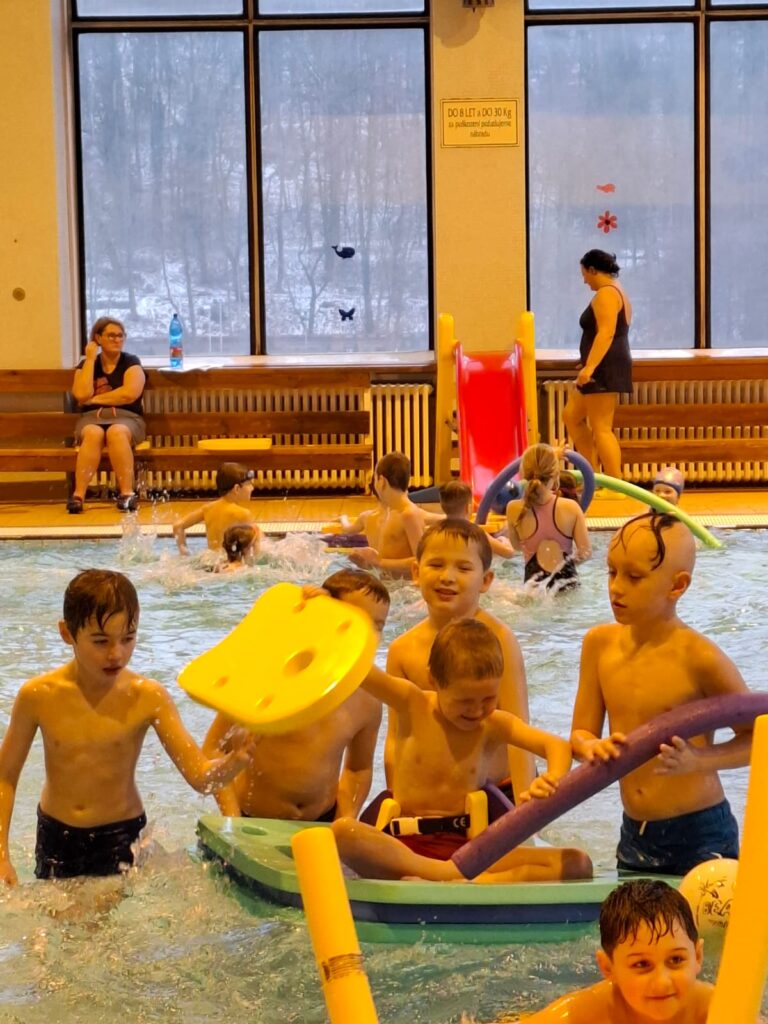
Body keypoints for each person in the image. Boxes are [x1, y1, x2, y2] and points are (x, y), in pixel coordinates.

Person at [0, 569, 256, 885]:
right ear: (67, 633)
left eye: (128, 638)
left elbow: (200, 778)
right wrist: (2, 855)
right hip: (56, 835)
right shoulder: (38, 696)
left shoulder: (148, 697)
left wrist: (234, 763)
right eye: (101, 641)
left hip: (120, 836)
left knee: (102, 916)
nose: (116, 653)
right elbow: (5, 776)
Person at [332, 618, 592, 883]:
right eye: (464, 701)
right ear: (434, 680)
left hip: (470, 852)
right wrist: (327, 621)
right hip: (406, 846)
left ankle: (465, 881)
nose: (477, 710)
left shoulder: (493, 724)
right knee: (343, 832)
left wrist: (552, 777)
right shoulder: (412, 704)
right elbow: (360, 670)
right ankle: (448, 877)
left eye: (488, 698)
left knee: (578, 863)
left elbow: (556, 745)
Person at [570, 512, 752, 876]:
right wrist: (590, 747)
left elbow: (758, 736)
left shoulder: (699, 657)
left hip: (701, 832)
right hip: (636, 834)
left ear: (677, 585)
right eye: (611, 572)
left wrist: (700, 760)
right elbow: (580, 734)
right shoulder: (599, 645)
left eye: (634, 577)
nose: (616, 587)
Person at [203, 569, 388, 821]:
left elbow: (359, 769)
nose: (367, 636)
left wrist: (344, 822)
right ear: (325, 616)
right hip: (251, 818)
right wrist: (231, 818)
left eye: (377, 627)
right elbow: (213, 749)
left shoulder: (368, 698)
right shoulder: (267, 677)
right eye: (358, 622)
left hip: (323, 818)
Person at [381, 519, 535, 804]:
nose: (447, 577)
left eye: (463, 568)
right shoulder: (402, 651)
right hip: (434, 799)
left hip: (499, 792)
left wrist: (526, 808)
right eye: (436, 565)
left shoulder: (499, 640)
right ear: (416, 572)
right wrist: (397, 797)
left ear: (485, 581)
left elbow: (519, 732)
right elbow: (397, 738)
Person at [522, 879, 714, 1023]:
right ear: (608, 967)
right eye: (642, 964)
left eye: (676, 959)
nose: (662, 982)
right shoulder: (584, 1015)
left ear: (697, 956)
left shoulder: (715, 1009)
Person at [563, 250, 633, 492]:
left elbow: (607, 333)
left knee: (601, 427)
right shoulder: (614, 291)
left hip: (605, 368)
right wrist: (586, 361)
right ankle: (592, 476)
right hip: (602, 364)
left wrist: (591, 366)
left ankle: (615, 485)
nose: (584, 280)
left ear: (593, 270)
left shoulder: (607, 294)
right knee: (571, 416)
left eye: (584, 274)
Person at [67, 317, 147, 514]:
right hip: (92, 419)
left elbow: (129, 394)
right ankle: (78, 495)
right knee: (93, 433)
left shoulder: (131, 362)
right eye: (111, 335)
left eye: (120, 336)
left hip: (127, 418)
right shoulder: (87, 364)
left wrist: (94, 399)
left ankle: (127, 494)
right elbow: (81, 394)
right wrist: (90, 359)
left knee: (116, 432)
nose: (117, 340)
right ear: (98, 338)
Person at [505, 443, 591, 592]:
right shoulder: (571, 508)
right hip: (567, 586)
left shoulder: (513, 508)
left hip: (533, 589)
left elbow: (516, 546)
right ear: (557, 475)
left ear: (523, 474)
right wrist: (563, 563)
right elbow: (585, 553)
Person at [348, 452, 432, 576]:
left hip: (405, 586)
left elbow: (422, 561)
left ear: (381, 481)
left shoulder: (408, 514)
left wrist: (378, 562)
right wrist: (367, 562)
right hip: (390, 583)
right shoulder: (391, 512)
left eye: (375, 479)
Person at [173, 462, 260, 556]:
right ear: (237, 489)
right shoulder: (243, 513)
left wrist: (184, 554)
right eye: (249, 484)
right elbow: (255, 546)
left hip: (211, 561)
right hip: (233, 563)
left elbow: (178, 526)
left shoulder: (208, 508)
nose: (252, 488)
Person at [439, 480, 514, 560]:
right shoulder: (475, 533)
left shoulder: (436, 531)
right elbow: (508, 553)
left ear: (442, 506)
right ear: (468, 508)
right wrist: (503, 539)